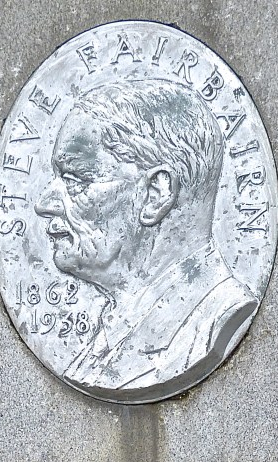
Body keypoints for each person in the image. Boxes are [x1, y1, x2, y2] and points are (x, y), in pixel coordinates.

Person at [34, 78, 258, 403]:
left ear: (156, 194)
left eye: (74, 178)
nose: (44, 203)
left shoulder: (214, 322)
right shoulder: (110, 335)